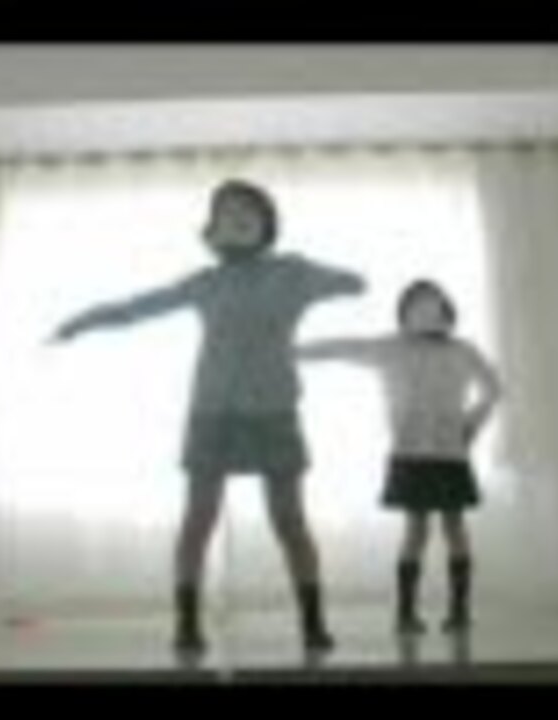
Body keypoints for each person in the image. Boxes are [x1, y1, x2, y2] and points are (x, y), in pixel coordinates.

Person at [52, 179, 366, 653]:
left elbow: (354, 283)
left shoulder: (291, 272)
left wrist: (320, 277)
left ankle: (313, 622)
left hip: (275, 411)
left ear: (266, 224)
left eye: (247, 211)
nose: (236, 218)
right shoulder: (206, 282)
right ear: (212, 230)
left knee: (289, 520)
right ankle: (187, 624)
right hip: (212, 413)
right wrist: (82, 321)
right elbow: (138, 308)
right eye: (226, 212)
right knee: (199, 518)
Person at [297, 280, 501, 633]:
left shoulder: (460, 350)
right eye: (417, 304)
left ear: (446, 311)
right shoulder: (394, 347)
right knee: (423, 529)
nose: (426, 312)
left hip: (446, 453)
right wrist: (289, 351)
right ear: (405, 312)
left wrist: (471, 426)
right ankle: (410, 614)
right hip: (415, 452)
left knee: (447, 527)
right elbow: (341, 347)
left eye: (432, 304)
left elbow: (493, 389)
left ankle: (454, 612)